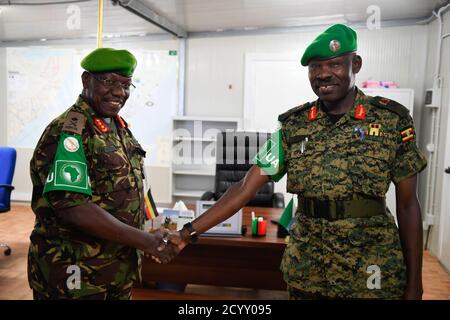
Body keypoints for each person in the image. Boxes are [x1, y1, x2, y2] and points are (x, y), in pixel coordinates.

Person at [160, 24, 427, 299]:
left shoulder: (391, 120)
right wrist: (187, 232)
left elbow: (408, 204)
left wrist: (414, 284)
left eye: (334, 64)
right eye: (314, 67)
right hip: (309, 267)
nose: (323, 74)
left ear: (355, 64)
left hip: (371, 265)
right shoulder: (293, 126)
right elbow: (243, 188)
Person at [28, 48, 177, 300]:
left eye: (126, 85)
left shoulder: (117, 126)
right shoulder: (70, 131)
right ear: (87, 80)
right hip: (76, 274)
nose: (119, 92)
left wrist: (153, 229)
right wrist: (145, 240)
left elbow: (131, 185)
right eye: (109, 82)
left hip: (114, 270)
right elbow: (73, 207)